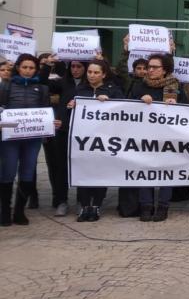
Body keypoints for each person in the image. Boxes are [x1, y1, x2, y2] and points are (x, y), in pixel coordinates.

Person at [0, 54, 61, 226]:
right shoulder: (6, 86)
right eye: (25, 67)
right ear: (18, 68)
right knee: (8, 172)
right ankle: (5, 211)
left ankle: (20, 211)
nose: (28, 71)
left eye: (31, 68)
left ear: (36, 69)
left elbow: (45, 112)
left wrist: (52, 123)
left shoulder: (42, 88)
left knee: (27, 172)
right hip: (10, 137)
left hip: (32, 138)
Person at [129, 54, 183, 222]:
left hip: (168, 138)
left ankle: (163, 206)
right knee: (145, 171)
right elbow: (126, 106)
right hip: (144, 137)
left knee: (166, 172)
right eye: (149, 67)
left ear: (164, 70)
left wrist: (176, 105)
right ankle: (146, 206)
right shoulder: (139, 86)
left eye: (154, 67)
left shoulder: (175, 86)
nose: (150, 70)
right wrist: (139, 101)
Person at [68, 59, 124, 222]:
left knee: (101, 171)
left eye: (96, 72)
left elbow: (124, 111)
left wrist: (110, 102)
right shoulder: (80, 89)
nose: (92, 75)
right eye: (90, 72)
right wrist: (71, 106)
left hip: (104, 139)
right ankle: (85, 206)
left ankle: (96, 206)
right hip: (83, 139)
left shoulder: (113, 90)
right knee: (83, 171)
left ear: (104, 74)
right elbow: (71, 115)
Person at [41, 57, 87, 217]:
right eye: (73, 66)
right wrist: (48, 64)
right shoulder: (63, 82)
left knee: (81, 167)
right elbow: (43, 82)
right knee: (61, 167)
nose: (75, 69)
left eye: (79, 66)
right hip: (63, 130)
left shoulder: (89, 84)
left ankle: (82, 201)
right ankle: (62, 201)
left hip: (83, 132)